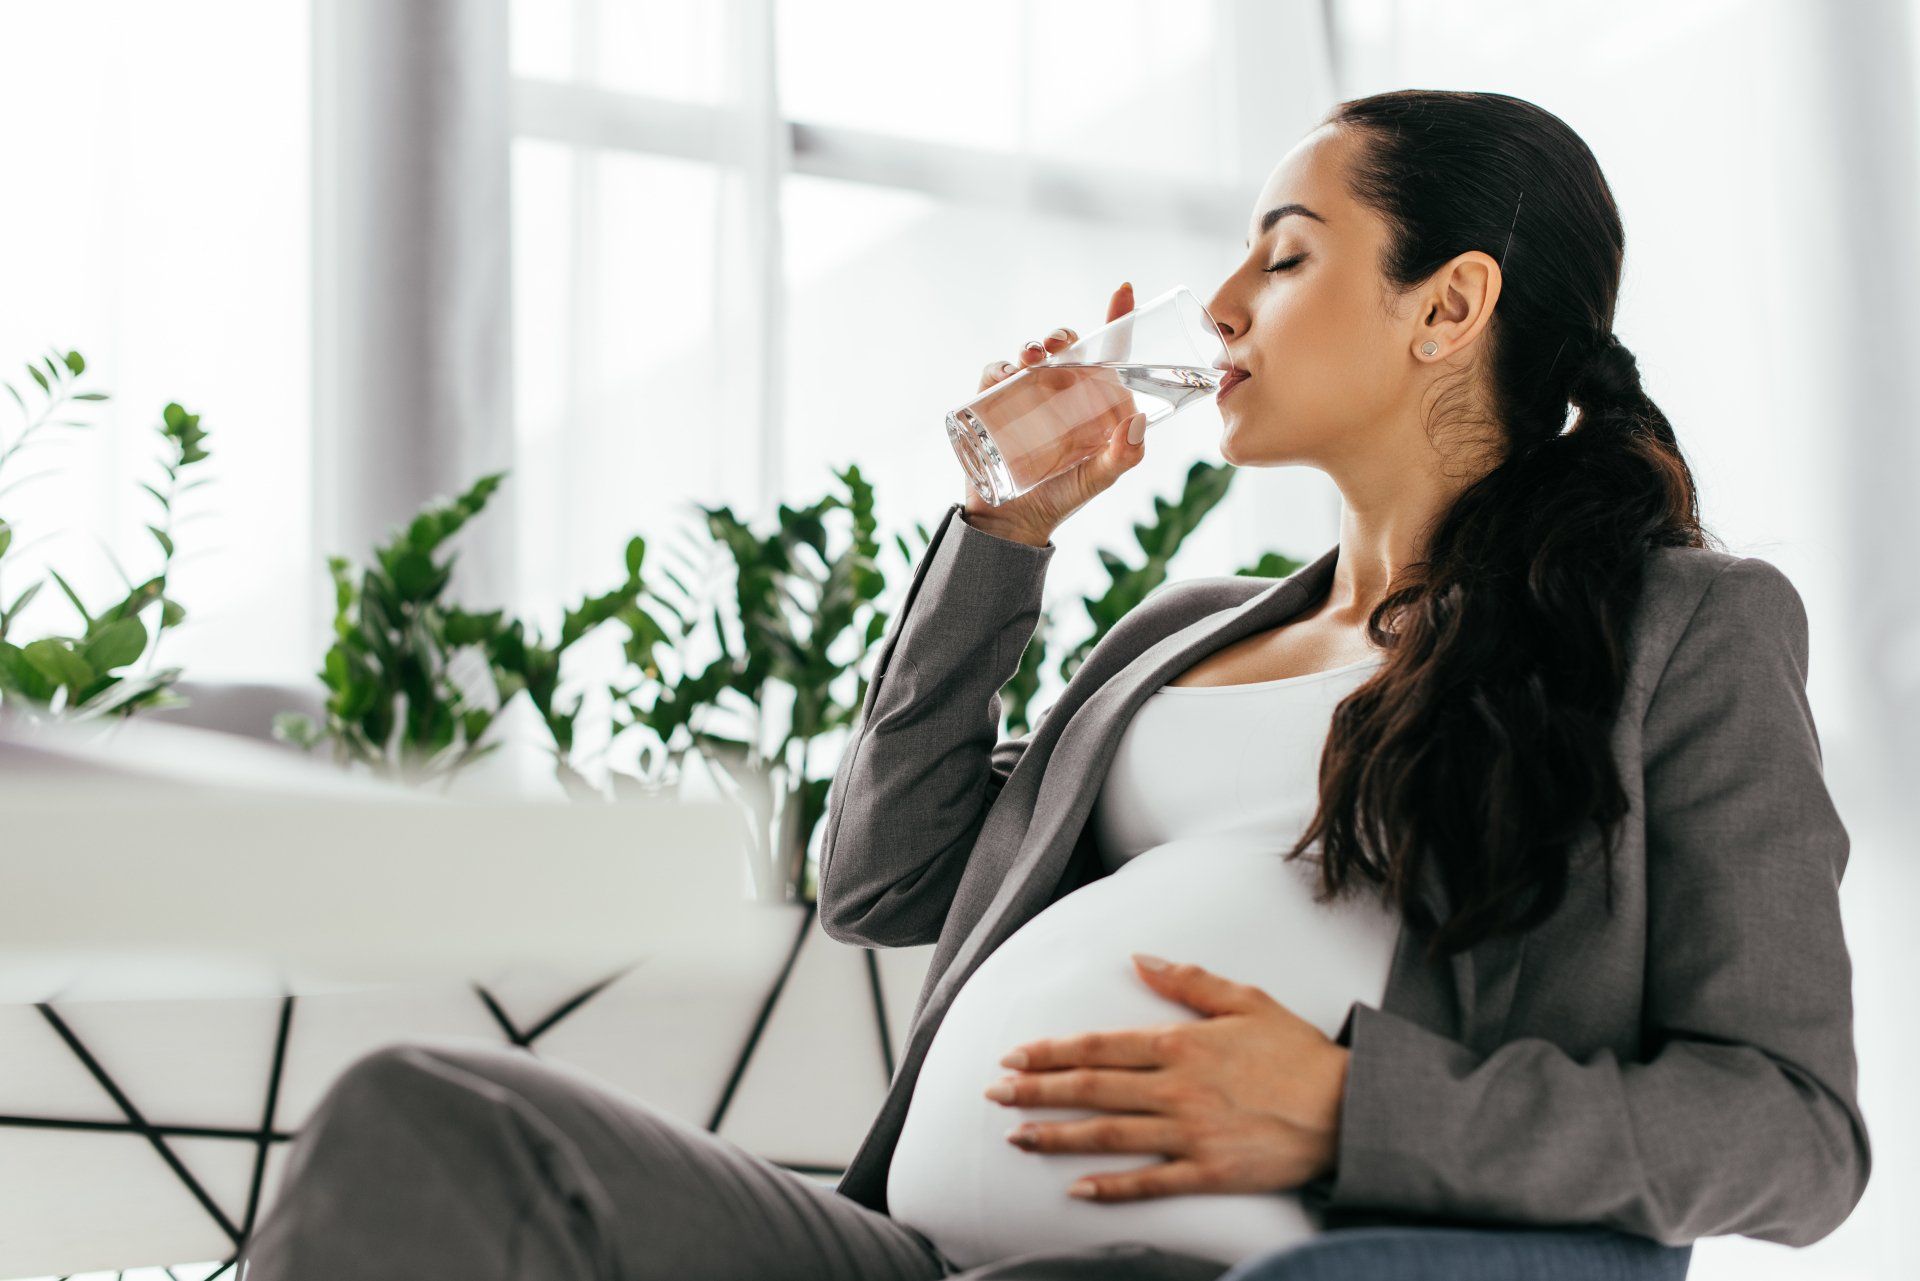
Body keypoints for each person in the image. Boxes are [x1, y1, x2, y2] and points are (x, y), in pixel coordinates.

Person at [241, 89, 1867, 1281]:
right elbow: (879, 875)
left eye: (1285, 258)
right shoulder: (1189, 628)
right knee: (429, 1118)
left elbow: (1793, 1132)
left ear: (1450, 304)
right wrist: (1003, 533)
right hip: (903, 1252)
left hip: (1205, 1270)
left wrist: (1353, 1111)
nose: (1221, 306)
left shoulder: (1677, 630)